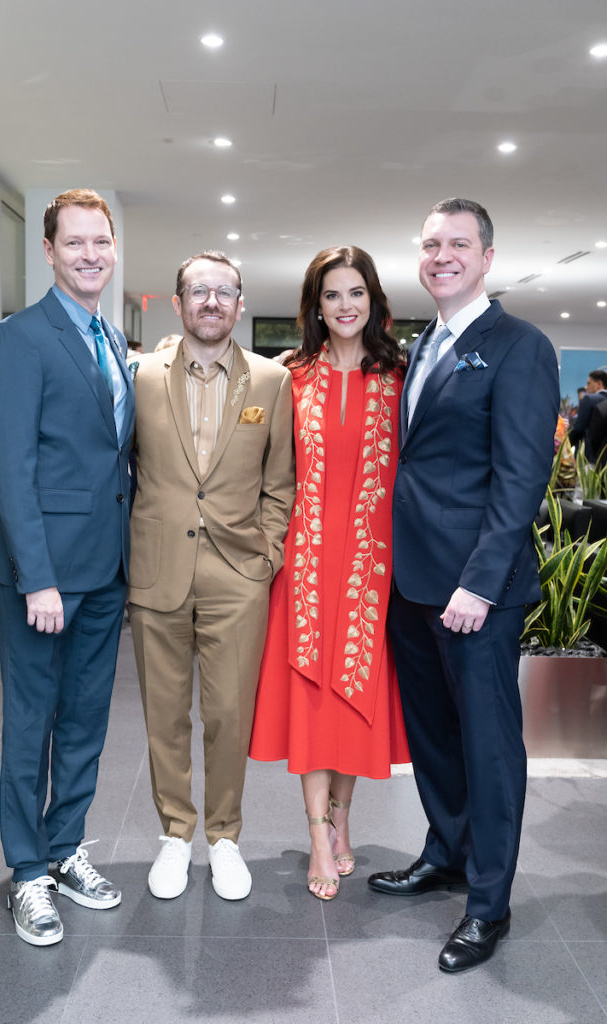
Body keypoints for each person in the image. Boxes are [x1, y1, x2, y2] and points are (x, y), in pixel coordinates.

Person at [367, 198, 559, 973]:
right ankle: (445, 852)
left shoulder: (518, 346)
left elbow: (520, 476)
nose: (440, 255)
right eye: (429, 244)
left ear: (485, 257)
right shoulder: (425, 344)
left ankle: (488, 905)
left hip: (474, 592)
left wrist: (478, 585)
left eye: (456, 244)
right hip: (412, 584)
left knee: (487, 747)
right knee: (434, 738)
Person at [0, 189, 135, 946]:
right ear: (48, 250)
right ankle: (25, 872)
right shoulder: (20, 338)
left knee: (85, 722)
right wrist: (36, 574)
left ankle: (65, 846)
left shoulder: (109, 339)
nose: (88, 255)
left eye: (99, 242)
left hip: (106, 571)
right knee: (31, 723)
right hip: (42, 577)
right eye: (73, 242)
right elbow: (11, 467)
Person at [129, 250, 294, 902]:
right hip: (157, 570)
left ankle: (224, 837)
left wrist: (268, 556)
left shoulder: (268, 381)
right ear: (177, 302)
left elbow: (280, 482)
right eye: (198, 291)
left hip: (238, 576)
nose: (210, 301)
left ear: (239, 303)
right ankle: (175, 833)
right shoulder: (139, 376)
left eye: (223, 291)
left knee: (228, 713)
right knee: (163, 716)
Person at [249, 246, 410, 900]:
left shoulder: (399, 376)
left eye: (355, 293)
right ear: (315, 306)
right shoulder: (290, 376)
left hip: (373, 566)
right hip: (305, 565)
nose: (345, 306)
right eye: (332, 295)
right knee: (312, 701)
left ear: (372, 299)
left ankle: (342, 822)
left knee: (354, 701)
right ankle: (318, 834)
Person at [568, 369, 607, 461]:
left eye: (589, 383)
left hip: (587, 457)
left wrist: (565, 445)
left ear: (599, 384)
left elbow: (579, 429)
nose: (586, 387)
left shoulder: (589, 399)